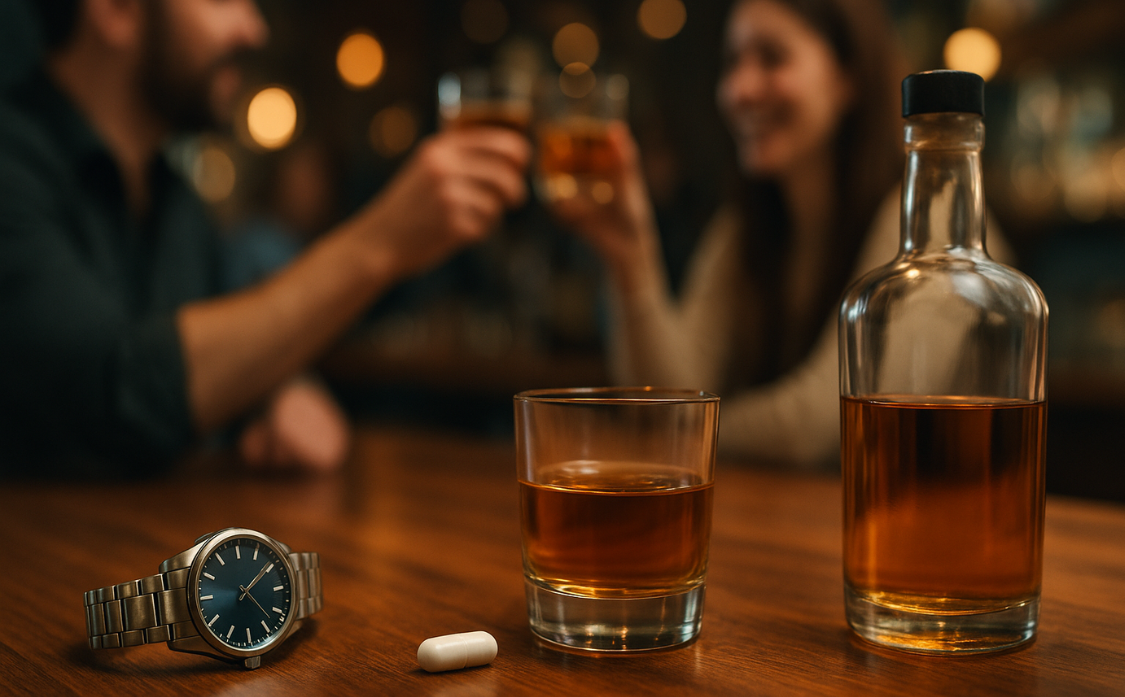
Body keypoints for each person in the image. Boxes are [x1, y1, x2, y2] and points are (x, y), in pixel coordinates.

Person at [0, 0, 530, 475]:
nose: (254, 29)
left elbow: (216, 340)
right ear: (116, 10)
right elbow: (110, 393)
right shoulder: (13, 164)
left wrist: (275, 388)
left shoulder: (177, 201)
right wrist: (380, 242)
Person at [550, 0, 1010, 466]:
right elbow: (669, 393)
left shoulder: (931, 224)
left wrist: (676, 433)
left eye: (771, 58)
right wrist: (631, 254)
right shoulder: (746, 228)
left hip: (937, 527)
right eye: (732, 63)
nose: (738, 90)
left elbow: (818, 426)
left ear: (847, 75)